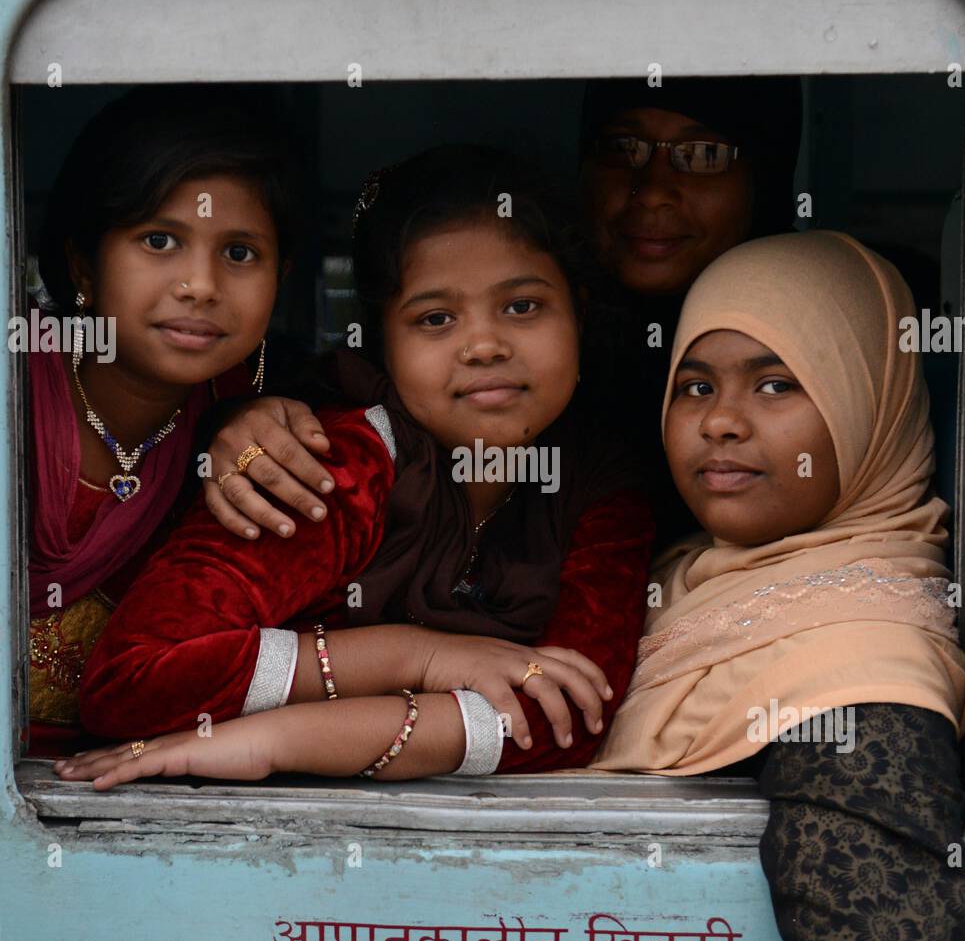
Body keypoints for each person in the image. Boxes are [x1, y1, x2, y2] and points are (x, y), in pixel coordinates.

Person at [59, 146, 654, 787]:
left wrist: (278, 739)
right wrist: (420, 657)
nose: (484, 346)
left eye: (522, 307)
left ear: (580, 313)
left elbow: (569, 718)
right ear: (380, 342)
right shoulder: (333, 463)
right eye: (435, 319)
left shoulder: (603, 484)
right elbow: (131, 683)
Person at [590, 230, 965, 941]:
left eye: (775, 384)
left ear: (868, 399)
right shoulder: (679, 578)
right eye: (695, 386)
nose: (720, 420)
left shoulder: (864, 661)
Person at [195, 75, 803, 545]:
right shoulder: (357, 446)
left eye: (703, 155)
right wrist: (237, 425)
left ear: (767, 177)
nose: (655, 188)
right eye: (623, 148)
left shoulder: (821, 348)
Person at [27, 86, 300, 754]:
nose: (200, 285)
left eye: (239, 253)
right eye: (159, 240)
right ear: (82, 263)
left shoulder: (255, 439)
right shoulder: (19, 393)